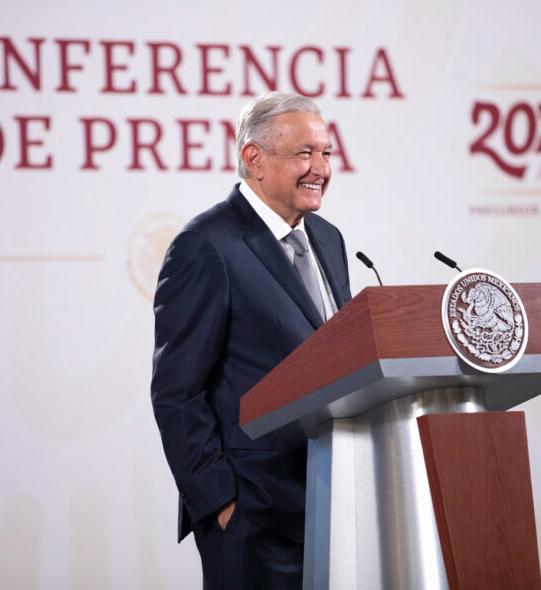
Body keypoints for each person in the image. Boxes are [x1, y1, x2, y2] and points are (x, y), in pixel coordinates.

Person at [151, 91, 352, 589]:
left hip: (333, 508)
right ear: (253, 159)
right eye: (304, 153)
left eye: (326, 153)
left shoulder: (328, 239)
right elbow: (177, 391)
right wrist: (221, 503)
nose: (320, 168)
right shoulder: (205, 246)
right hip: (254, 520)